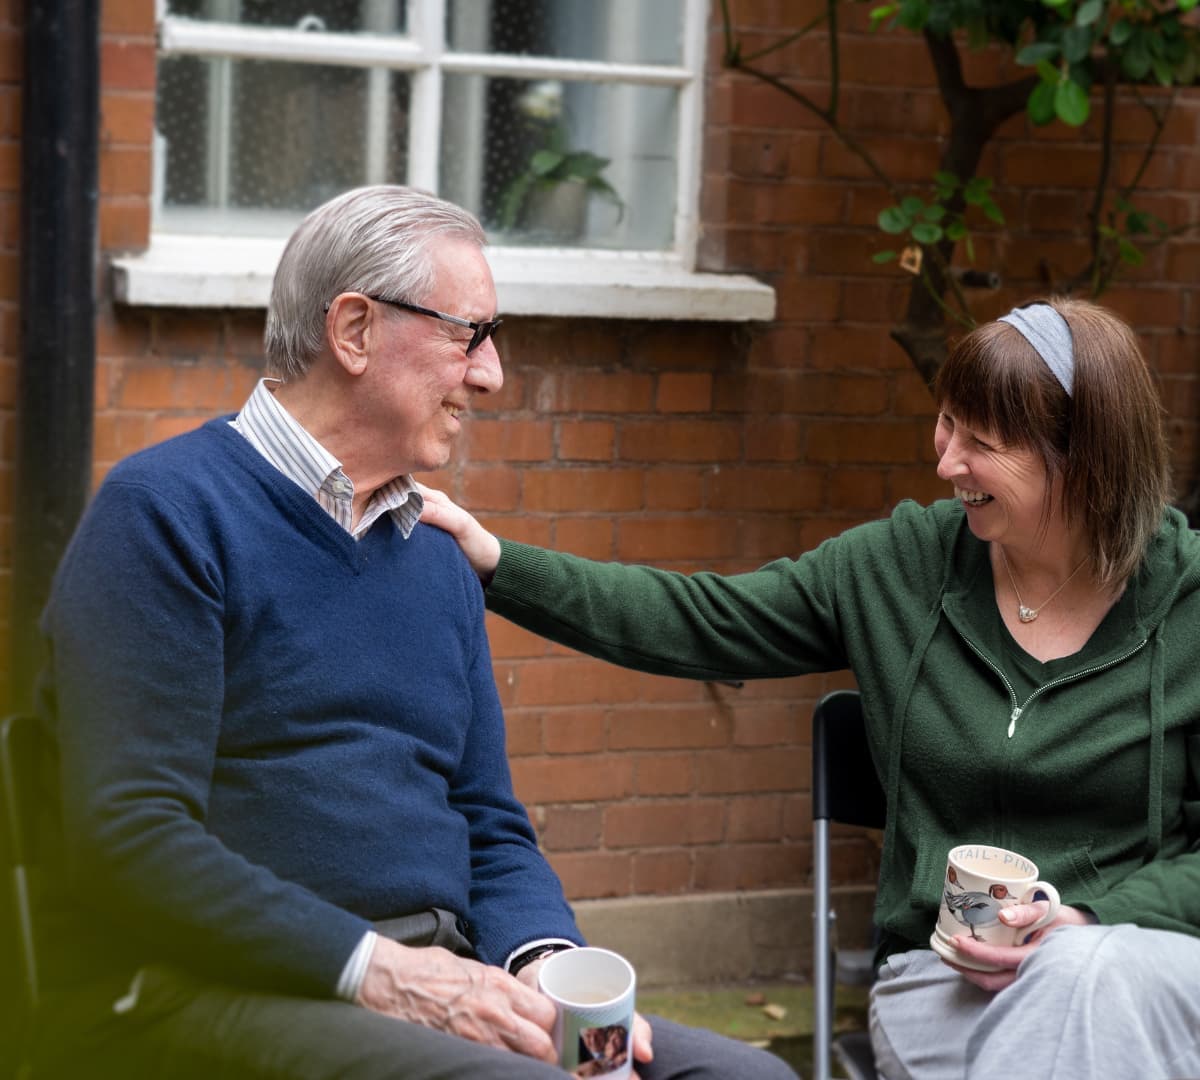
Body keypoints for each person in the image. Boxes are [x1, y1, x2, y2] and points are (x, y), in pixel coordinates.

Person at [32, 185, 797, 1080]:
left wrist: (539, 963)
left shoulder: (434, 553)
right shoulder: (164, 515)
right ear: (354, 330)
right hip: (215, 990)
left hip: (438, 983)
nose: (491, 374)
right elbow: (131, 837)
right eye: (469, 334)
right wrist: (386, 974)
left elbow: (488, 821)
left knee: (740, 1077)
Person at [421, 297, 1200, 1079]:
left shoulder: (1190, 602)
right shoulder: (901, 567)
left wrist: (1084, 920)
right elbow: (701, 620)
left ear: (1082, 459)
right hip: (947, 984)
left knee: (1082, 977)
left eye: (982, 443)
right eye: (947, 425)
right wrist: (497, 562)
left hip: (1142, 963)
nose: (946, 462)